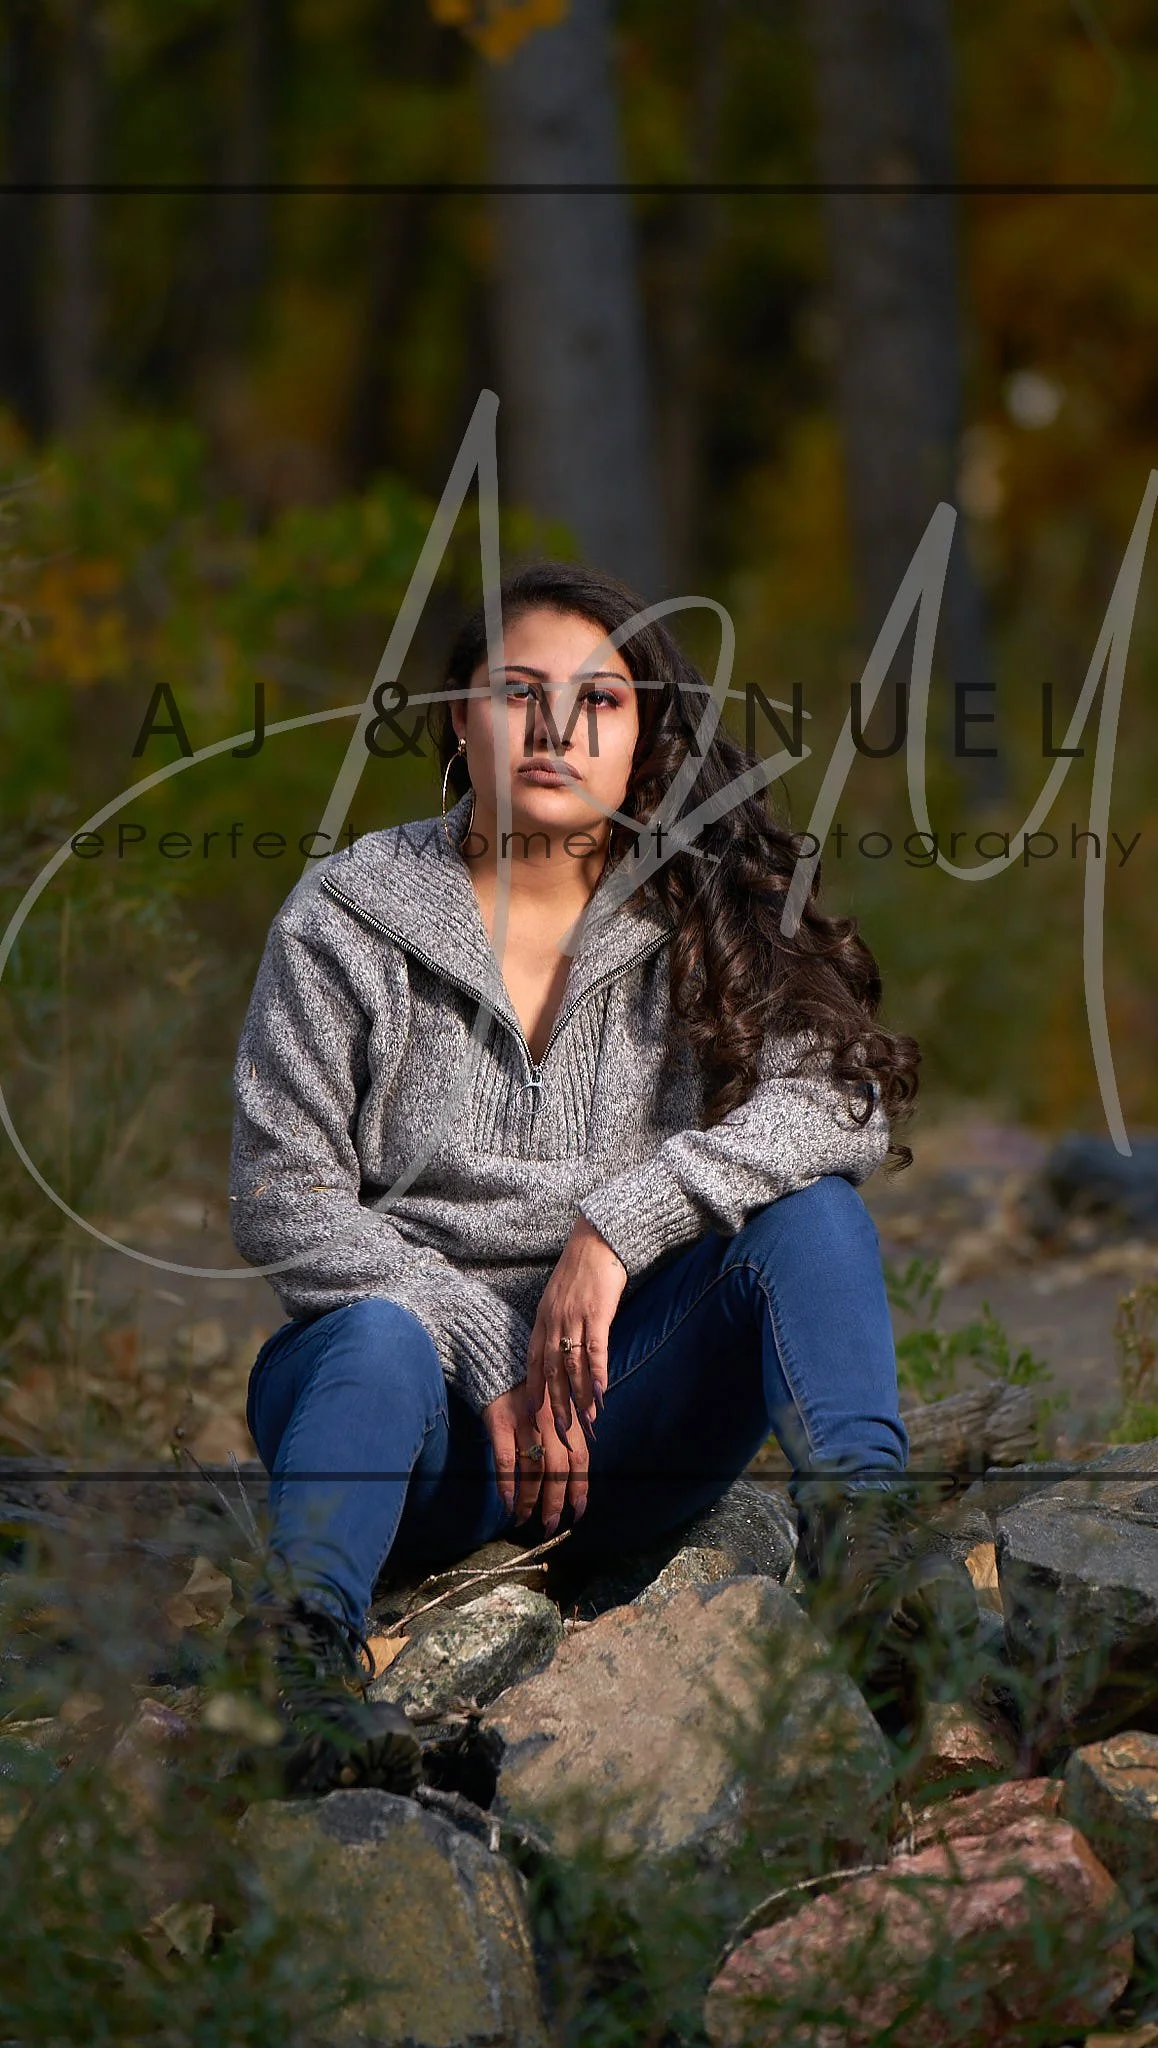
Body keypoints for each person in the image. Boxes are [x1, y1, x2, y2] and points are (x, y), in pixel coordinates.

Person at [217, 559, 978, 1799]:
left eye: (601, 700)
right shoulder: (346, 915)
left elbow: (843, 1098)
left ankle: (875, 1561)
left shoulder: (710, 909)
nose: (558, 728)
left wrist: (615, 1230)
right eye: (518, 691)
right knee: (370, 1339)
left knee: (814, 1217)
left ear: (647, 738)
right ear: (459, 719)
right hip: (423, 1440)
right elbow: (283, 1198)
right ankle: (302, 1661)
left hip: (622, 1423)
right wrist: (480, 1349)